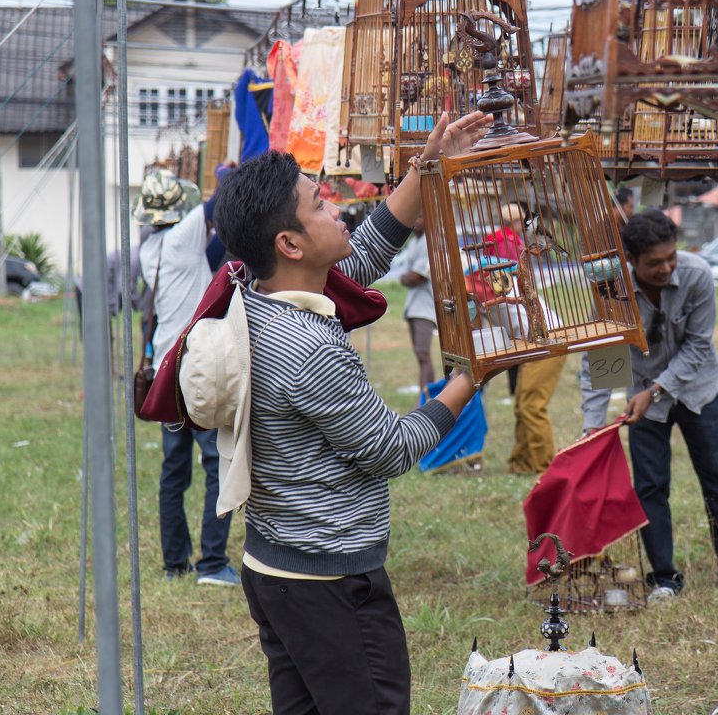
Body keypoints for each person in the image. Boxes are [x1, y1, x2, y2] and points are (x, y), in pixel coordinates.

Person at [213, 111, 487, 714]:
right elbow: (389, 446)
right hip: (328, 582)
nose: (335, 205)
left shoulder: (260, 293)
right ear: (290, 243)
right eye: (319, 204)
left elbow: (362, 255)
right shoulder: (307, 349)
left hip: (277, 564)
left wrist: (428, 164)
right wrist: (469, 377)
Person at [582, 210, 718, 601]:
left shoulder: (697, 274)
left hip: (698, 391)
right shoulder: (610, 289)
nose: (666, 268)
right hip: (645, 399)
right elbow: (602, 356)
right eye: (654, 263)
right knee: (650, 488)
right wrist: (592, 426)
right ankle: (663, 578)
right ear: (630, 260)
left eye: (670, 257)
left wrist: (655, 390)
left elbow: (698, 346)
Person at [136, 170, 238, 586]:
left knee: (173, 471)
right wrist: (224, 174)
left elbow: (213, 255)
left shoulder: (151, 249)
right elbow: (222, 198)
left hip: (163, 370)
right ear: (179, 210)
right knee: (216, 461)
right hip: (193, 369)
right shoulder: (185, 235)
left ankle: (173, 564)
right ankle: (212, 563)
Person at [394, 212, 437, 393]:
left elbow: (417, 276)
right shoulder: (414, 242)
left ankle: (426, 395)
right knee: (420, 356)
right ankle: (425, 393)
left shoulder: (430, 242)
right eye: (415, 217)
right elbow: (406, 276)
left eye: (421, 217)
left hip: (425, 307)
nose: (416, 221)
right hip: (413, 306)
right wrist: (406, 277)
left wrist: (406, 277)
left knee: (423, 354)